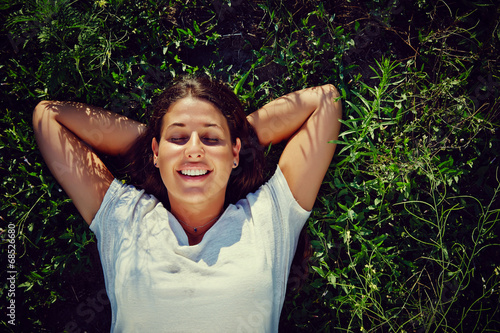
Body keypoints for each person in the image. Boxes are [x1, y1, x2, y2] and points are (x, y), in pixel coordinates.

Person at [32, 75, 342, 332]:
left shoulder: (267, 217)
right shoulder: (125, 218)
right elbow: (49, 116)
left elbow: (326, 102)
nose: (193, 151)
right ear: (155, 152)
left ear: (235, 153)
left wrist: (241, 138)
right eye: (178, 138)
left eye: (210, 139)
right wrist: (152, 146)